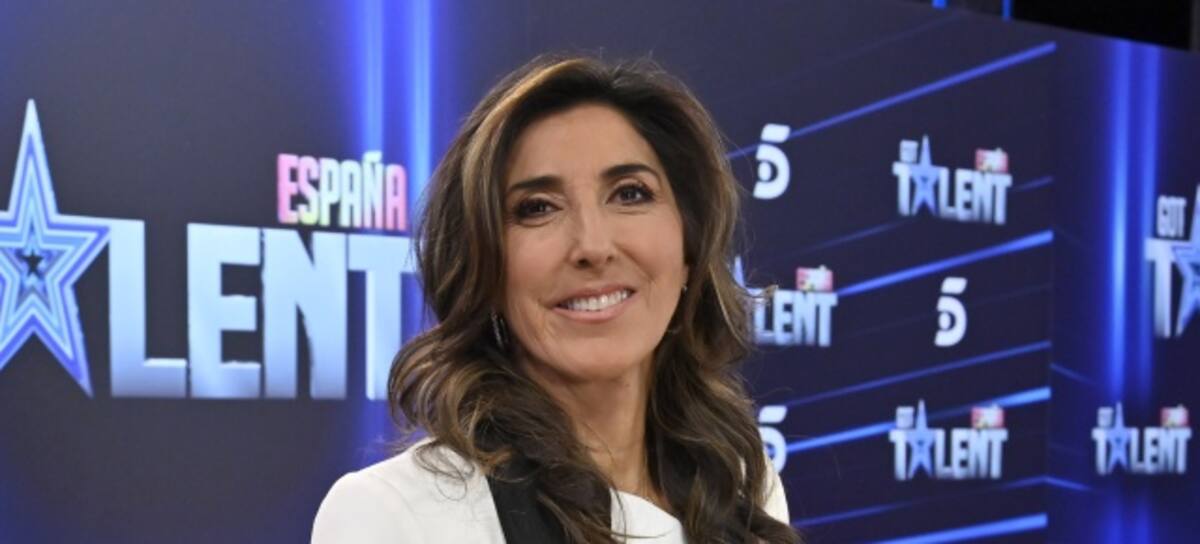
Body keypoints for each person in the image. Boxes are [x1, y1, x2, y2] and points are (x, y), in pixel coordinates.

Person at [312, 55, 800, 543]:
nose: (593, 246)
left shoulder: (739, 483)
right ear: (485, 268)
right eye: (537, 208)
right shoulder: (395, 515)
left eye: (630, 194)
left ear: (690, 246)